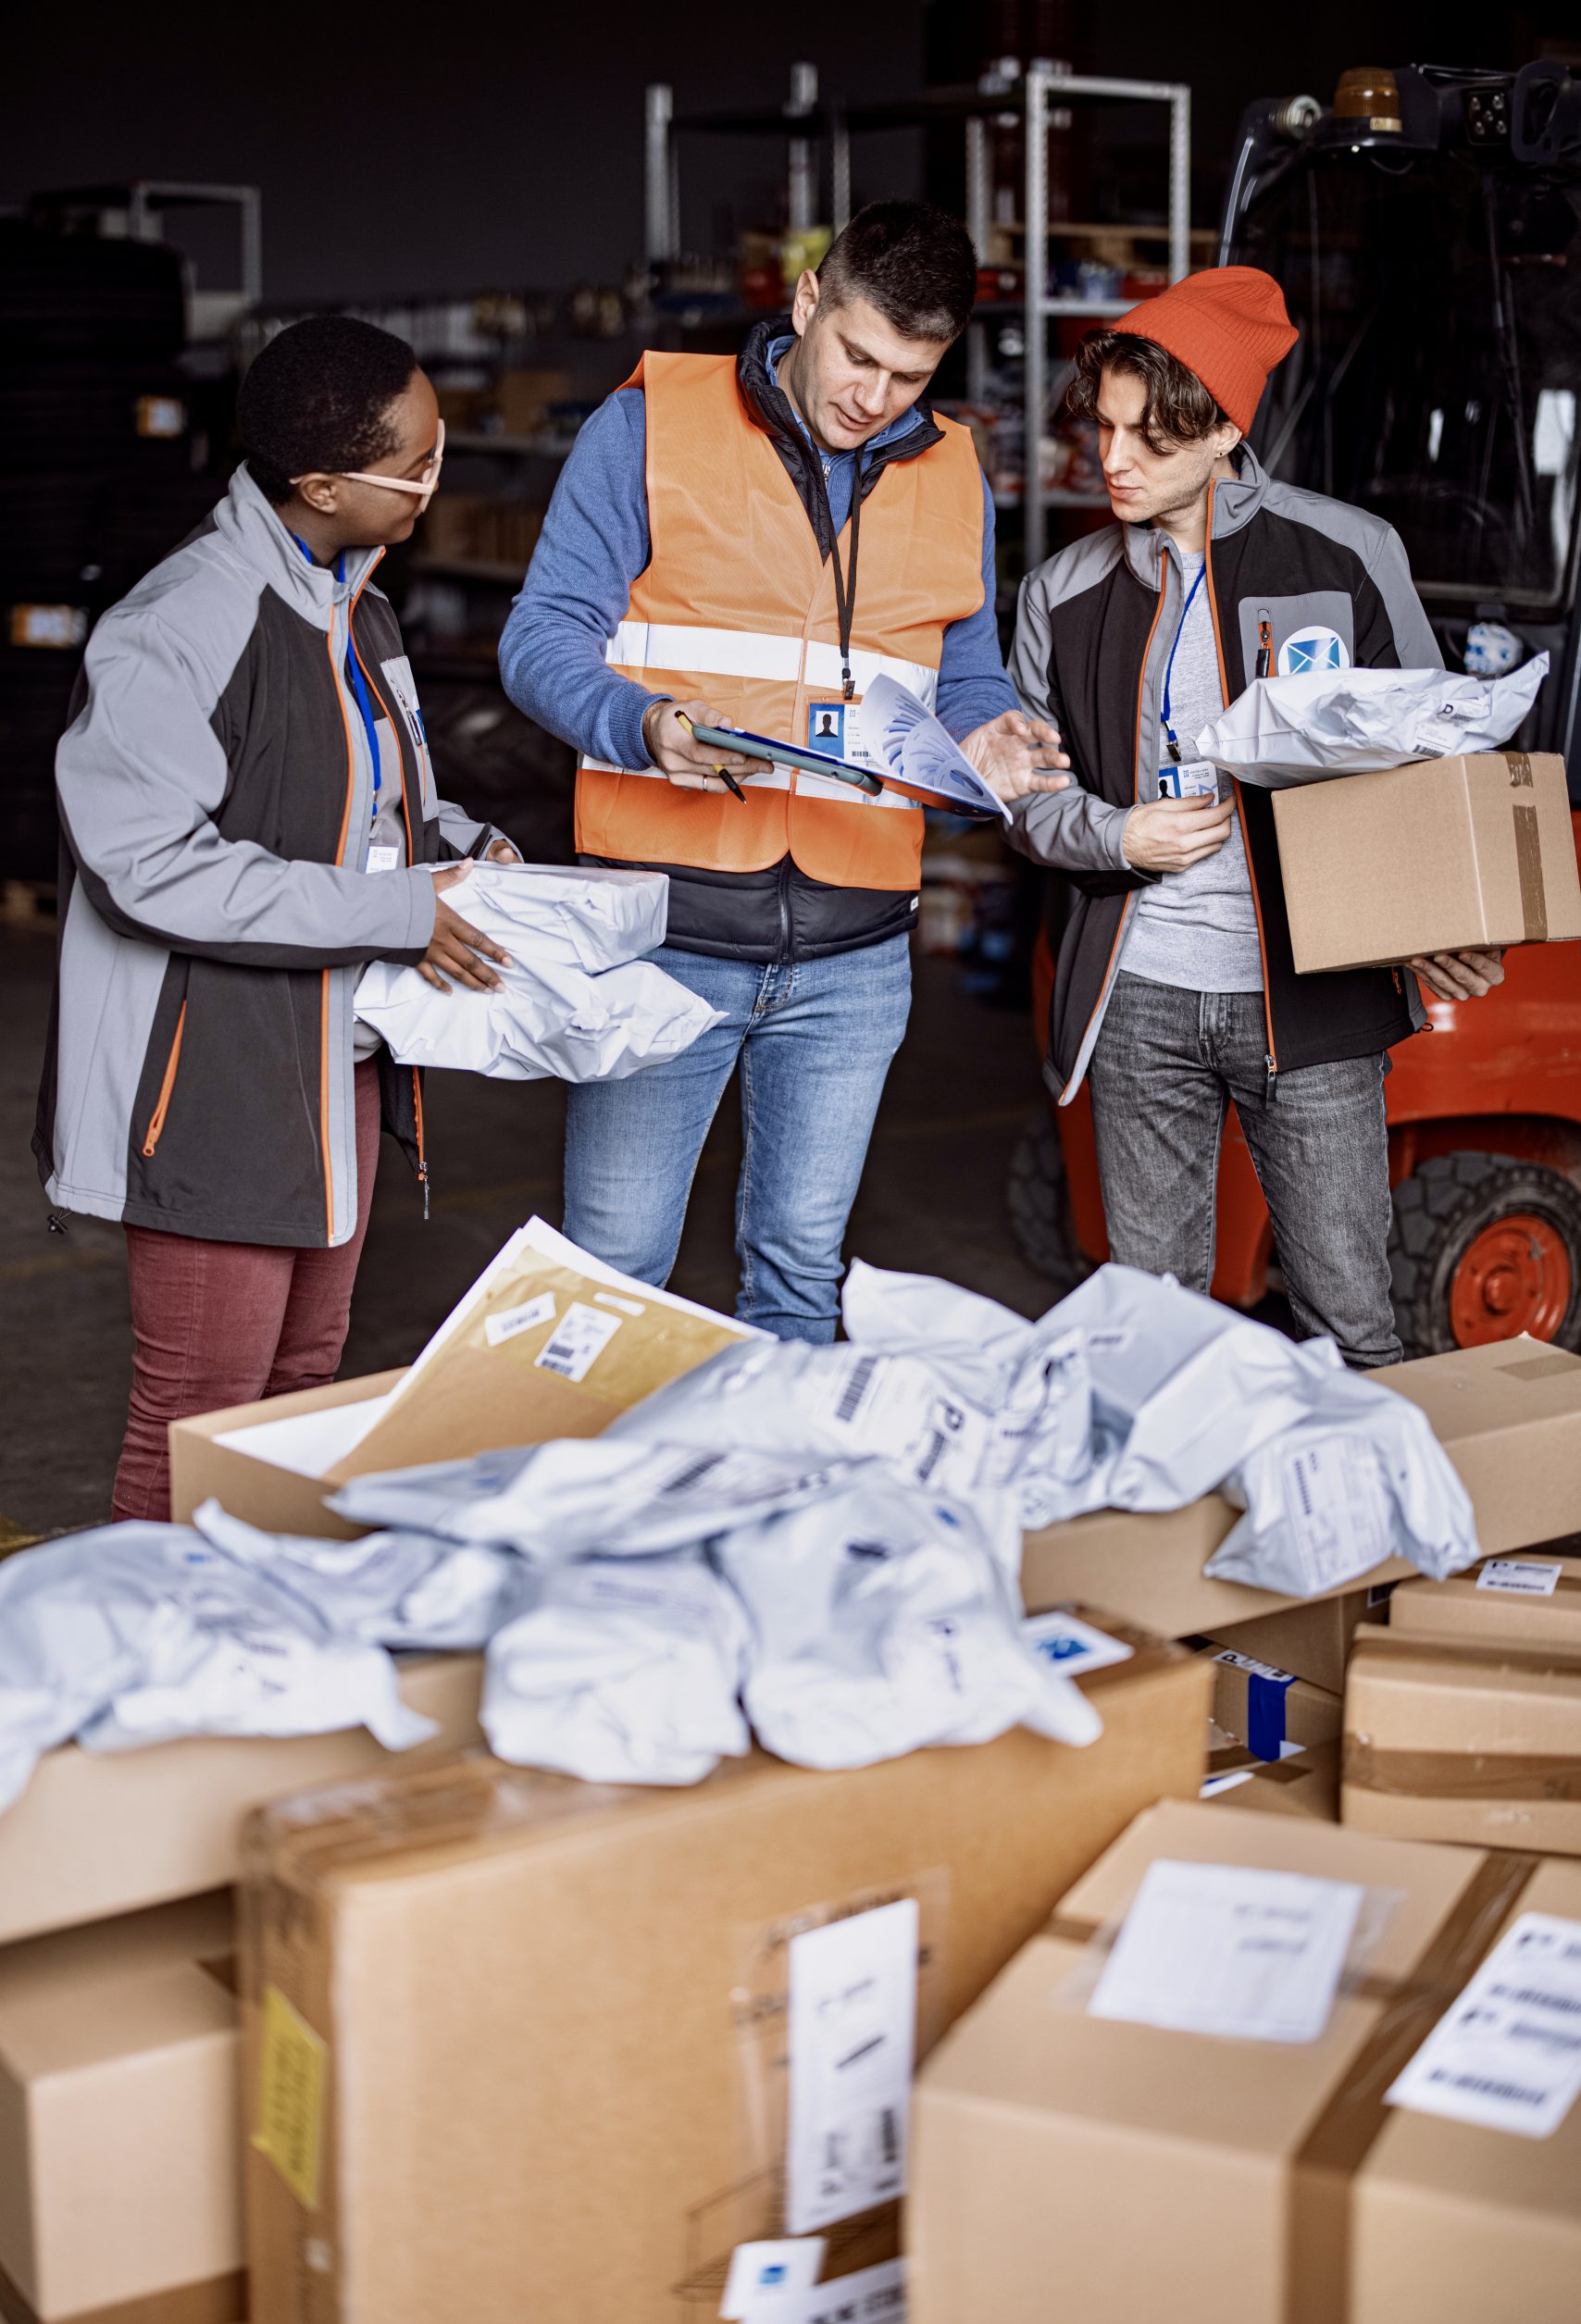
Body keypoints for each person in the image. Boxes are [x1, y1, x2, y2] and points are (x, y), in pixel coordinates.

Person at [500, 200, 1064, 1340]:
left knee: (804, 1277)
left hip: (855, 956)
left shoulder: (954, 471)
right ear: (808, 301)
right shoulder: (651, 424)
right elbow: (541, 636)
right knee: (610, 1275)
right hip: (665, 935)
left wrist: (993, 726)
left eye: (909, 375)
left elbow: (959, 673)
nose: (874, 396)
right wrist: (643, 723)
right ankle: (585, 1516)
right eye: (857, 354)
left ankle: (780, 1512)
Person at [34, 314, 519, 1520]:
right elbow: (147, 868)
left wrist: (461, 854)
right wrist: (392, 908)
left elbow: (375, 800)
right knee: (201, 1412)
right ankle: (150, 1686)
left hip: (330, 1056)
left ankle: (254, 1662)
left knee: (301, 1389)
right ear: (319, 485)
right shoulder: (178, 626)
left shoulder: (360, 606)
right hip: (209, 1081)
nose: (433, 476)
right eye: (415, 461)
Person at [1006, 267, 1503, 1367]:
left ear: (1226, 429)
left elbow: (1432, 753)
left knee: (1349, 1318)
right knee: (1154, 1328)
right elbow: (1025, 800)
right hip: (1135, 1003)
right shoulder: (1060, 592)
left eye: (1148, 437)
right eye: (1104, 428)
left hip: (1313, 1003)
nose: (1113, 461)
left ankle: (1363, 1536)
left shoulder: (1346, 554)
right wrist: (1114, 836)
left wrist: (1443, 915)